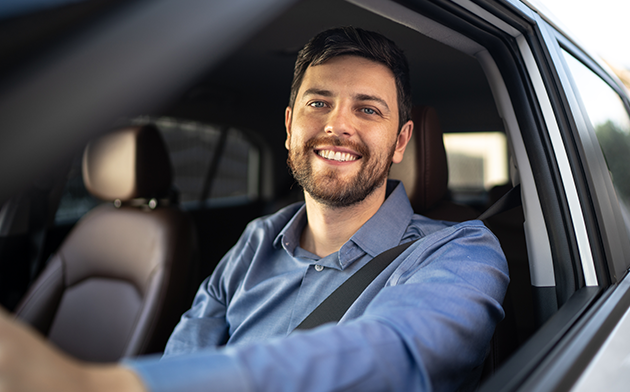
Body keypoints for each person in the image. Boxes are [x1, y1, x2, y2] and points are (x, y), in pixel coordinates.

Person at [0, 26, 508, 392]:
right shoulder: (256, 240)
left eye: (368, 109)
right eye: (319, 102)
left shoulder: (460, 251)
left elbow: (398, 355)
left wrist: (106, 385)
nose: (338, 125)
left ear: (400, 143)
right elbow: (187, 351)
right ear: (289, 126)